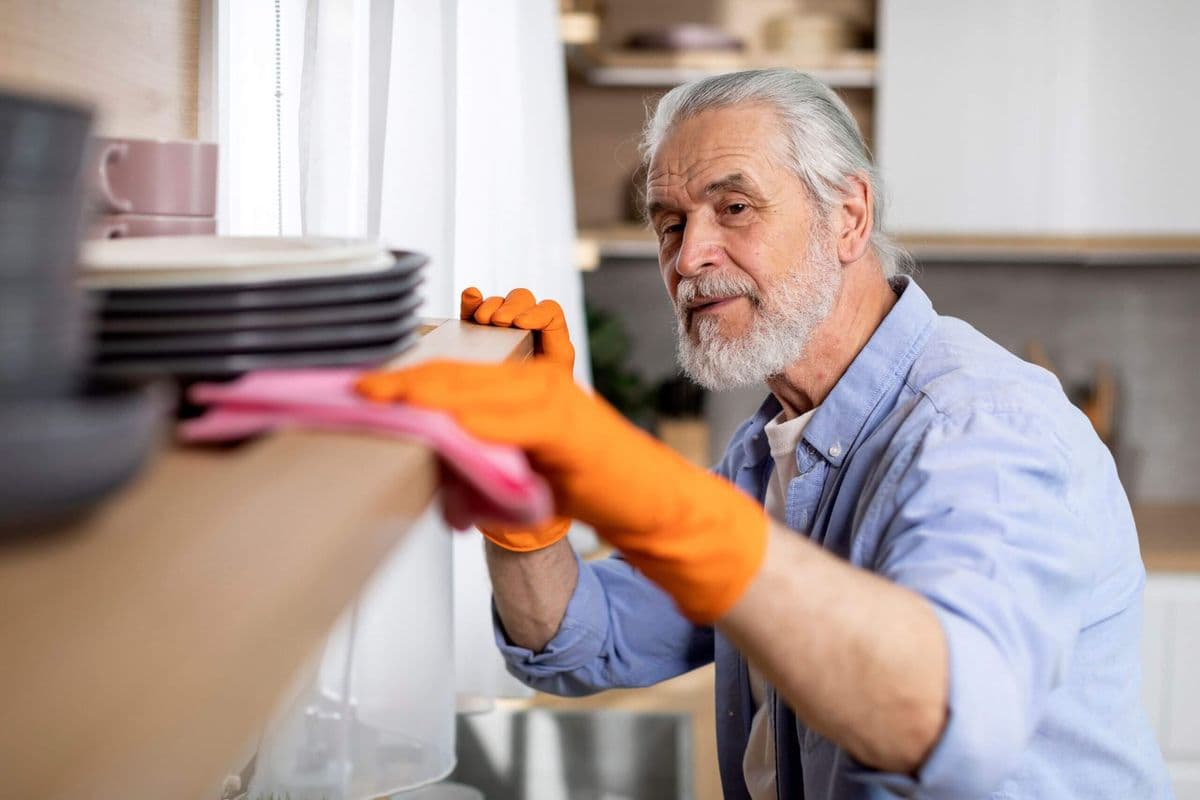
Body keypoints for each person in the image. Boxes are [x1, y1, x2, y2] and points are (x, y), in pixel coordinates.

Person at [357, 69, 1171, 798]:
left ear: (848, 216)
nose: (689, 256)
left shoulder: (981, 430)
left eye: (734, 208)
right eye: (669, 223)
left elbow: (943, 715)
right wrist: (522, 492)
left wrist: (648, 492)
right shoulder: (777, 448)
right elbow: (577, 642)